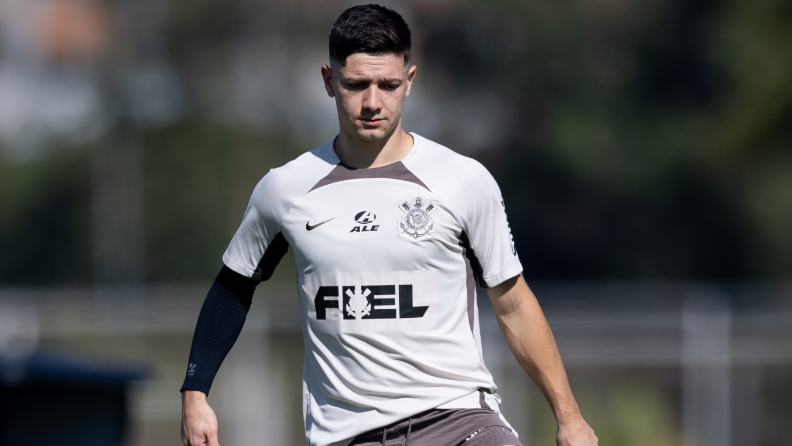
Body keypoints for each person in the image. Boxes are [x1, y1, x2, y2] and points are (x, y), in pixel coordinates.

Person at [180, 4, 598, 446]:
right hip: (346, 435)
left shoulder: (463, 180)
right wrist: (195, 392)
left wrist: (569, 416)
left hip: (458, 421)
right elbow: (232, 289)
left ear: (410, 82)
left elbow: (512, 302)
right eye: (356, 84)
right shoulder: (285, 189)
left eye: (388, 85)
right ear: (328, 81)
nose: (373, 102)